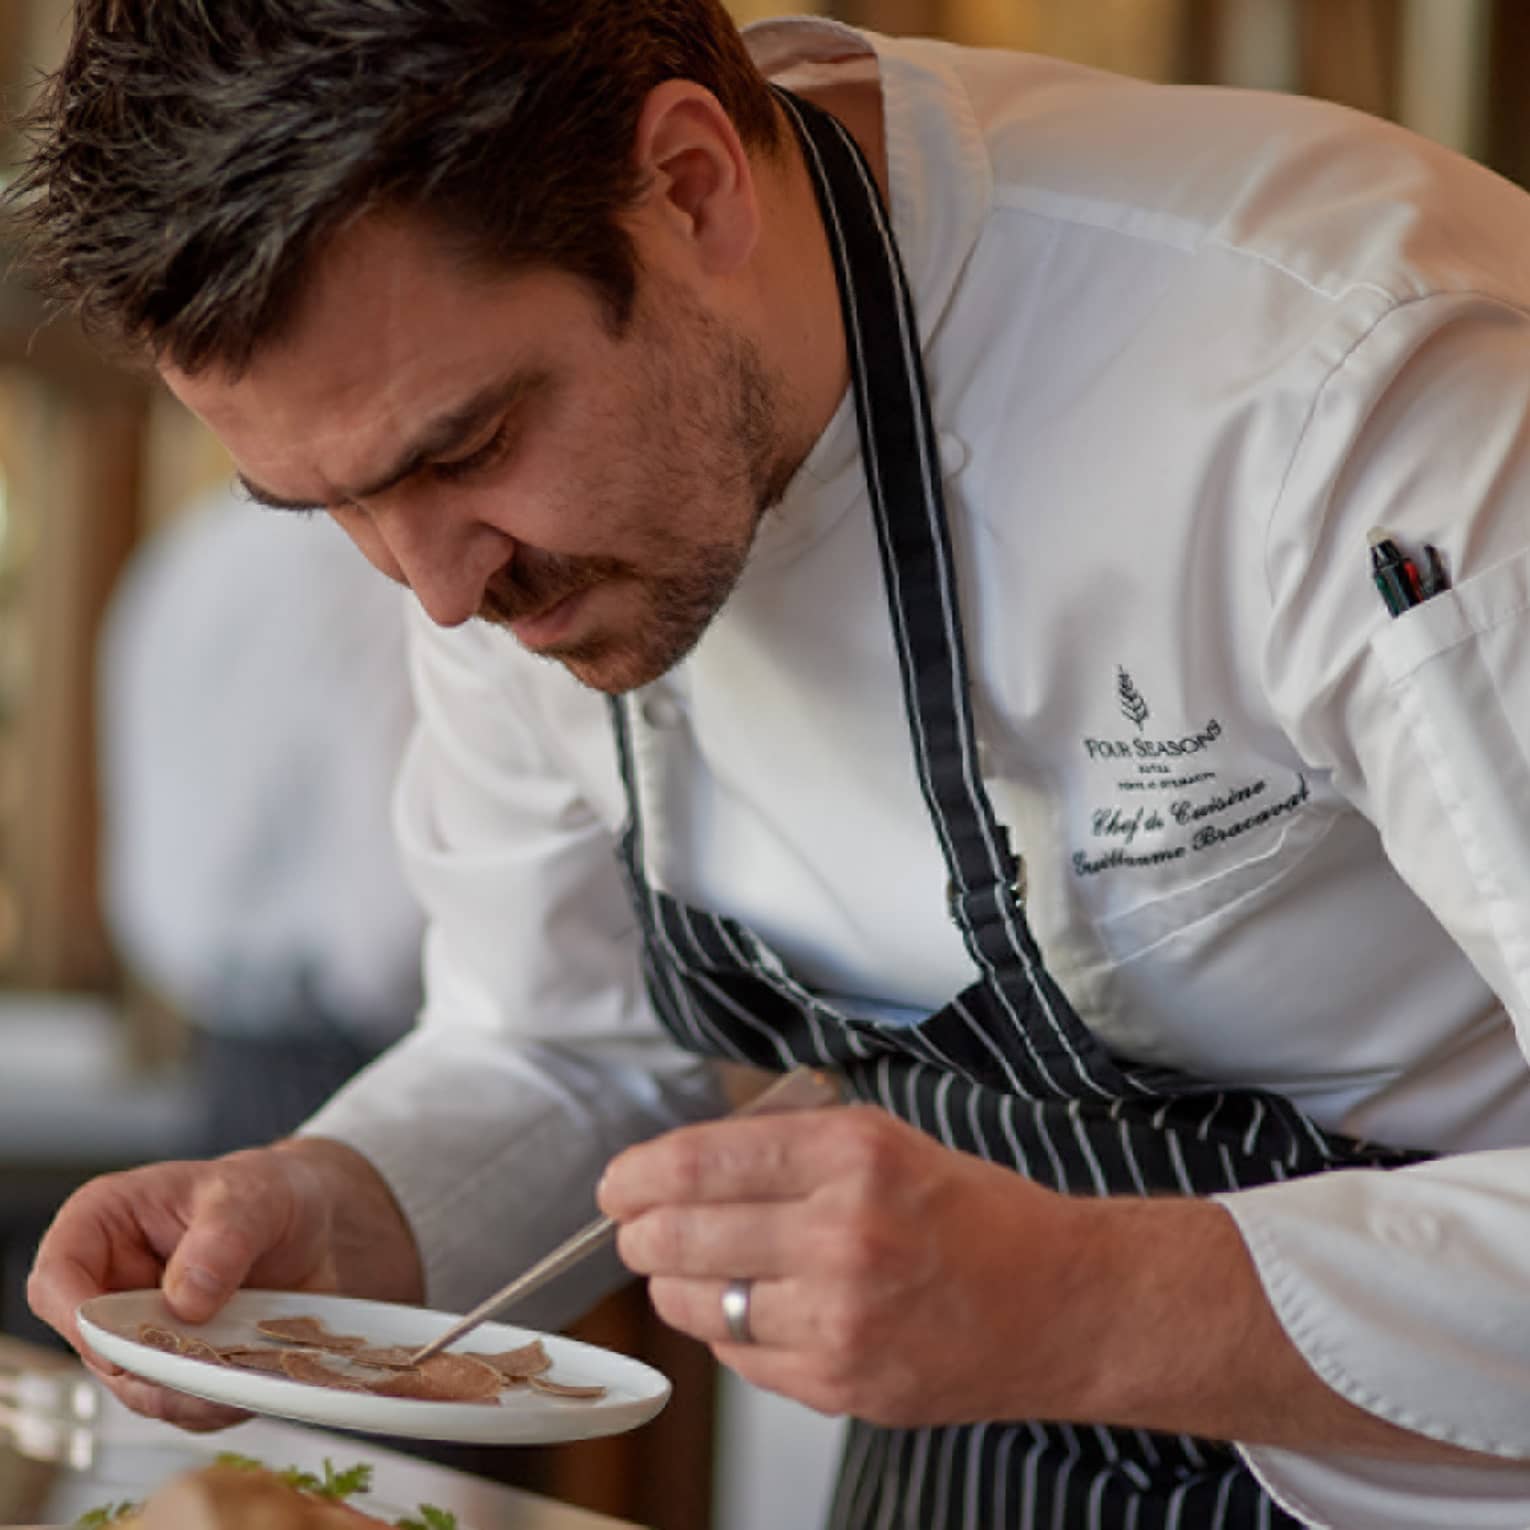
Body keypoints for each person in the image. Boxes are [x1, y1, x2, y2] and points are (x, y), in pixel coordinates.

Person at [10, 2, 1530, 1525]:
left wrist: (1079, 1297)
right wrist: (334, 1220)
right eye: (326, 504)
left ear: (688, 185)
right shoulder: (480, 527)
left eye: (462, 449)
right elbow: (566, 1040)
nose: (439, 594)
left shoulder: (1356, 387)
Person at [99, 488, 423, 1155]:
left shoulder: (186, 553)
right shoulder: (369, 569)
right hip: (357, 1044)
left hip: (223, 1040)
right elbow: (390, 836)